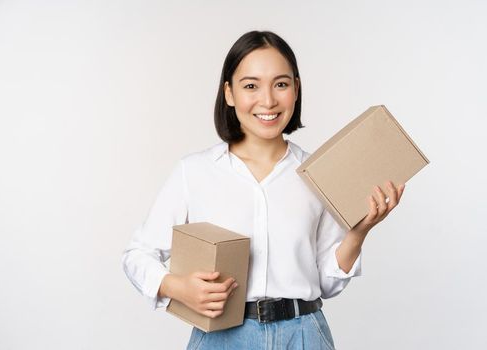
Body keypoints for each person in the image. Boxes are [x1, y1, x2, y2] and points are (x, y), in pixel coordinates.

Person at [121, 30, 405, 350]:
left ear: (296, 90)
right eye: (251, 86)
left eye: (281, 84)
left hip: (304, 335)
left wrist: (358, 232)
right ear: (229, 93)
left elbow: (327, 283)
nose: (268, 100)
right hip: (222, 338)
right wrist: (175, 286)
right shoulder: (194, 171)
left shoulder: (318, 175)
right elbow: (137, 255)